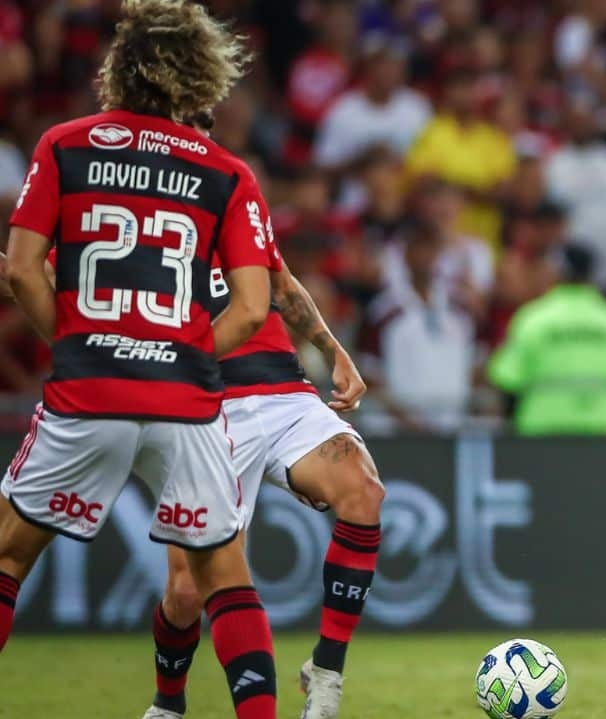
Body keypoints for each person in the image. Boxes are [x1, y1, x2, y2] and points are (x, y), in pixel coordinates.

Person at [0, 3, 280, 719]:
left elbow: (22, 272)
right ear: (199, 76)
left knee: (8, 555)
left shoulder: (64, 144)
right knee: (223, 574)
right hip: (183, 399)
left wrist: (76, 341)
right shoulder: (226, 171)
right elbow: (251, 307)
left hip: (87, 389)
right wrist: (181, 355)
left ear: (120, 68)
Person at [132, 128, 384, 719]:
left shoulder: (234, 195)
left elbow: (281, 283)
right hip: (199, 401)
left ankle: (325, 671)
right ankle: (169, 705)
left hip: (280, 388)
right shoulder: (125, 213)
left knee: (363, 490)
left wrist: (333, 349)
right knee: (187, 592)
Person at [488, 243, 606, 436]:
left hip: (542, 430)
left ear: (555, 272)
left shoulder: (533, 318)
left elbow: (506, 376)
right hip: (601, 429)